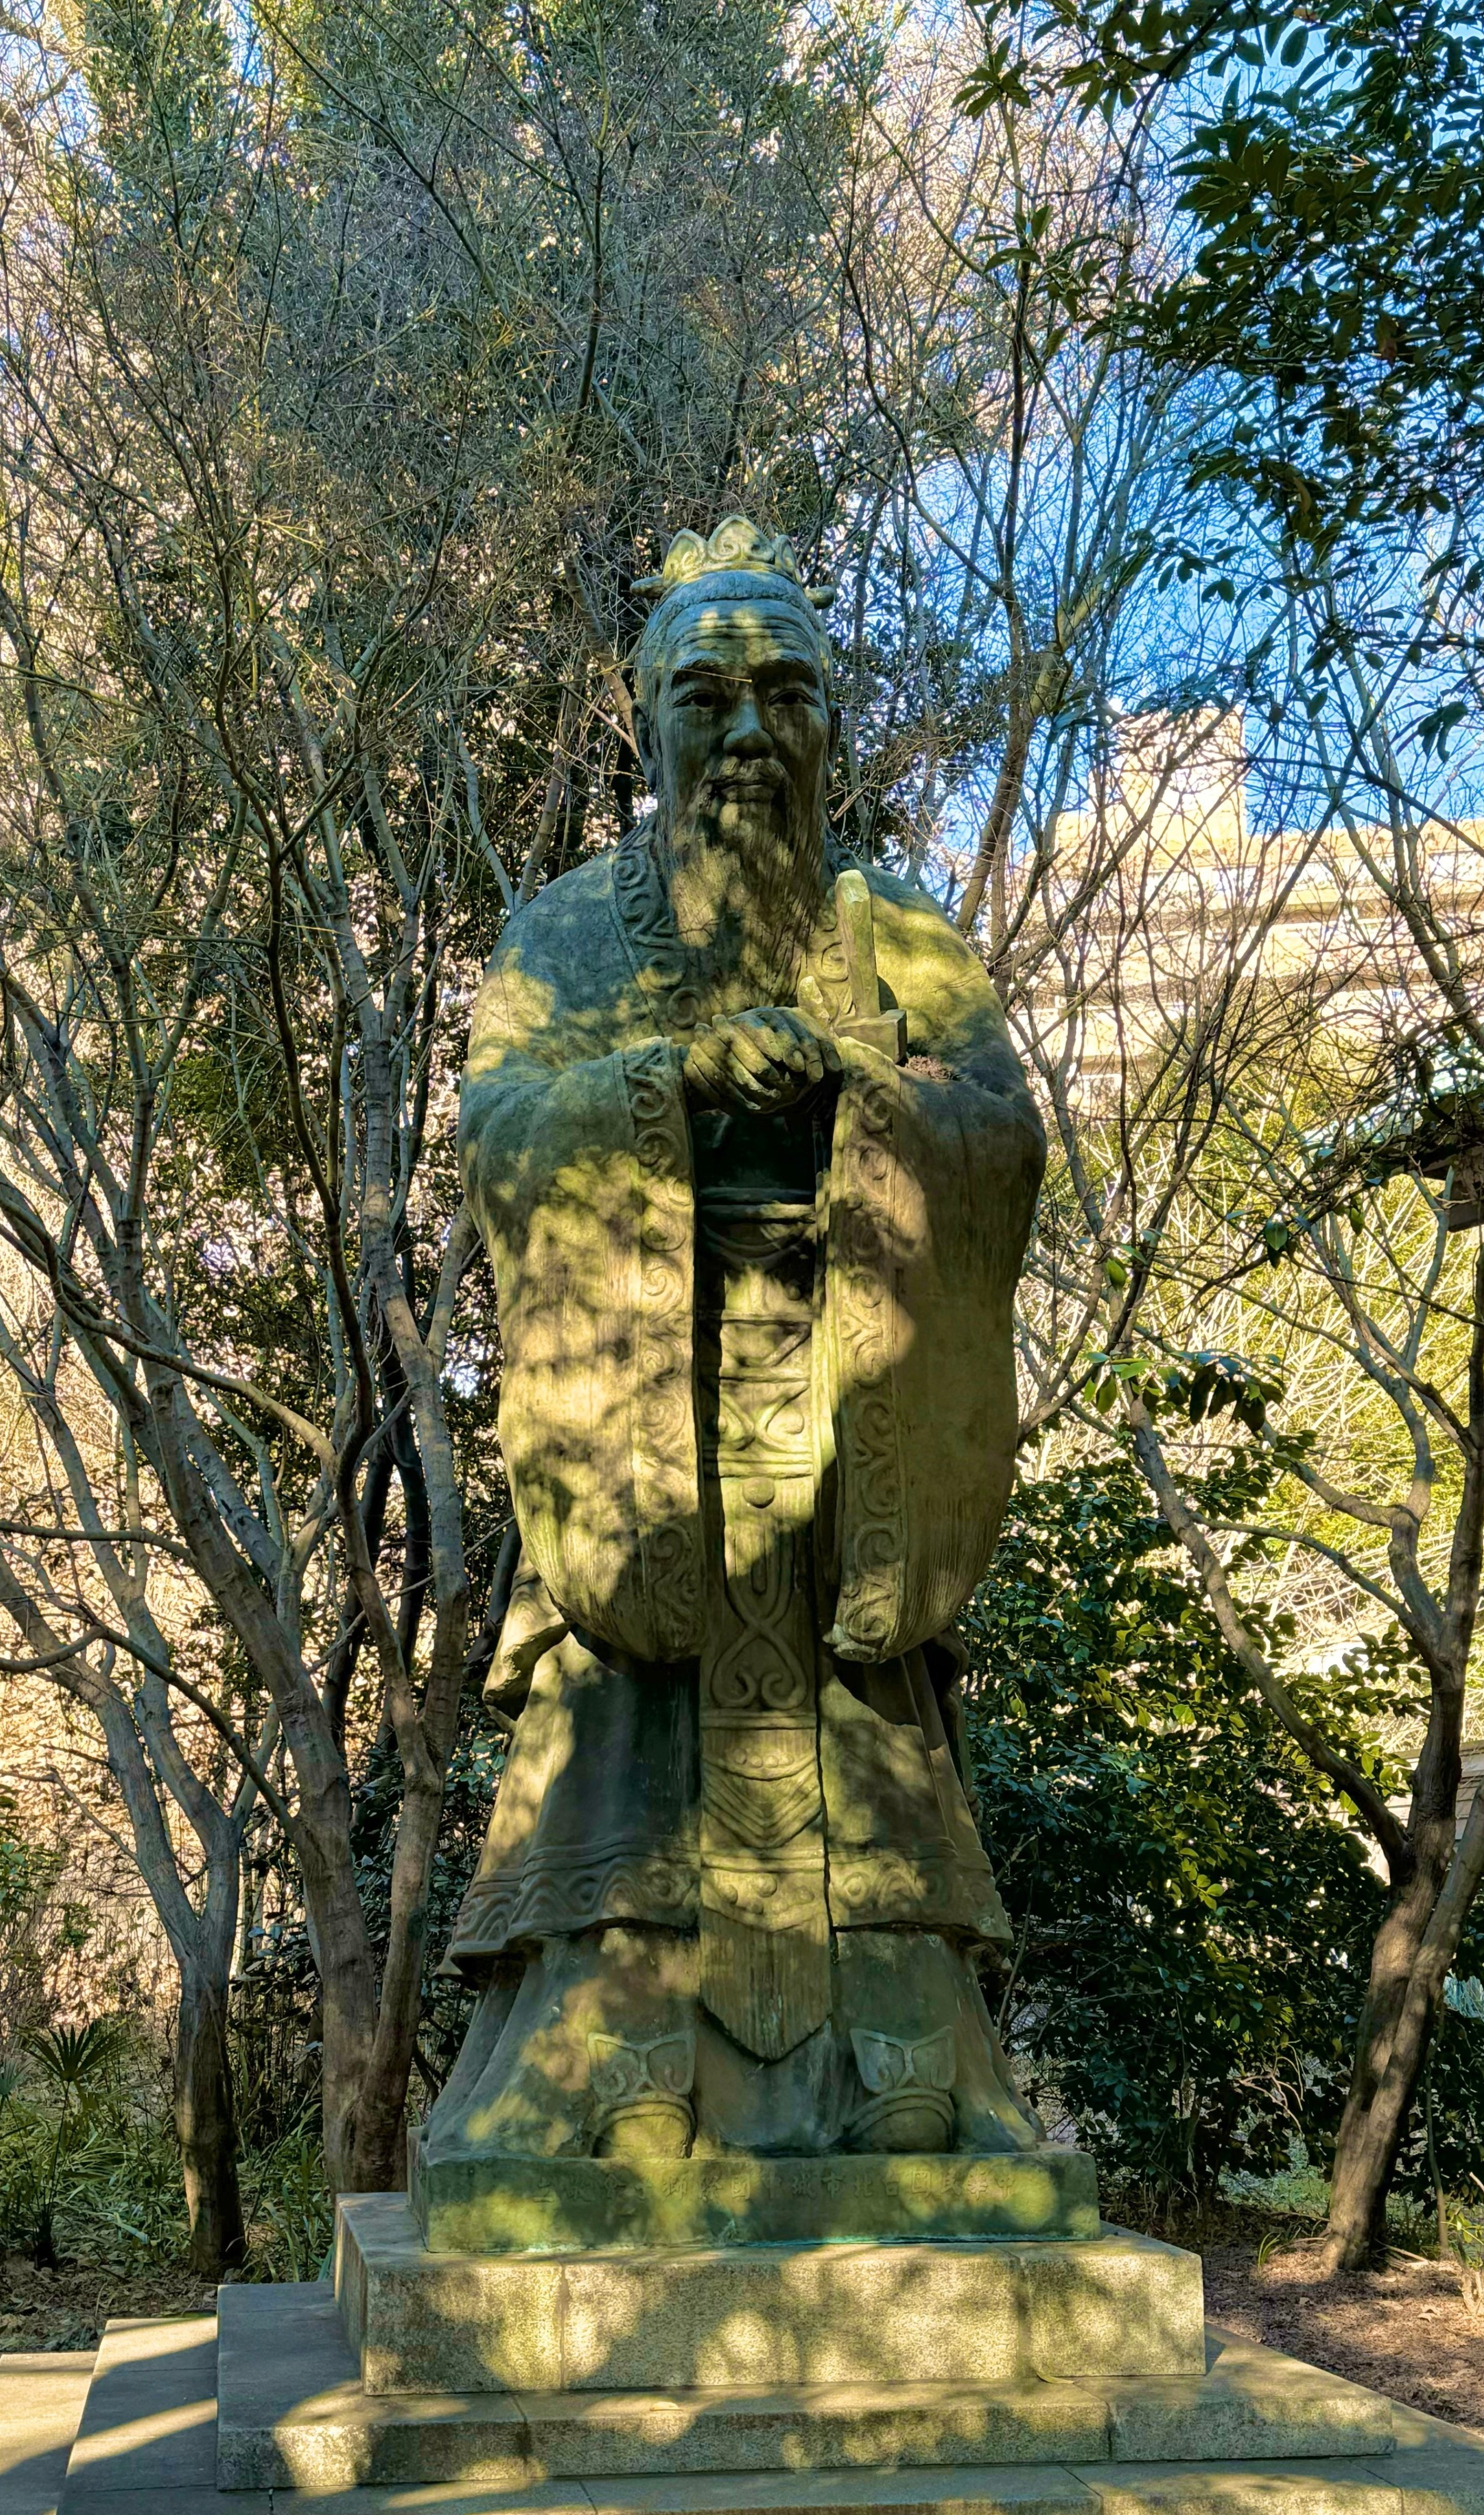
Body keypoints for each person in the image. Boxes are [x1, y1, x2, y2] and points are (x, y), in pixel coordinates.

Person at [425, 517, 1048, 2169]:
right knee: (625, 1731)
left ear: (833, 721)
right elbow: (500, 1135)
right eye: (708, 698)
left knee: (866, 1729)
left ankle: (900, 2051)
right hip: (642, 1416)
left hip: (853, 1420)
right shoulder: (565, 934)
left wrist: (866, 1098)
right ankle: (615, 2050)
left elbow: (1004, 1134)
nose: (752, 731)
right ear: (645, 721)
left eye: (789, 692)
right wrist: (671, 1085)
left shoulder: (899, 930)